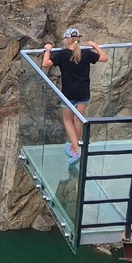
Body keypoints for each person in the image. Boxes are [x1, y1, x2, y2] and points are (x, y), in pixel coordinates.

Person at [42, 27, 109, 164]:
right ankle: (74, 146)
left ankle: (77, 151)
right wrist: (95, 46)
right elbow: (104, 58)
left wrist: (48, 49)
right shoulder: (86, 52)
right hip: (84, 92)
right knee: (78, 120)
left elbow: (45, 64)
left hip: (69, 93)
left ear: (67, 40)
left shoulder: (62, 54)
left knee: (68, 120)